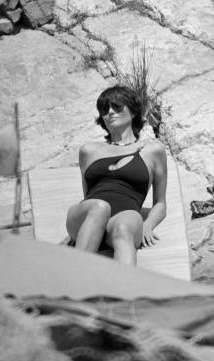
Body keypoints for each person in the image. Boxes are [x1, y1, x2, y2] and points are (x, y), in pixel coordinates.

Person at [65, 85, 167, 268]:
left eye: (117, 107)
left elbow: (160, 202)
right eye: (104, 109)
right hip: (91, 212)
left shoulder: (153, 150)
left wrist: (148, 225)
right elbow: (87, 196)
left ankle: (125, 291)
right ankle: (76, 278)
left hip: (124, 215)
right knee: (99, 207)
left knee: (123, 228)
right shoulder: (89, 150)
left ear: (134, 112)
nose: (110, 112)